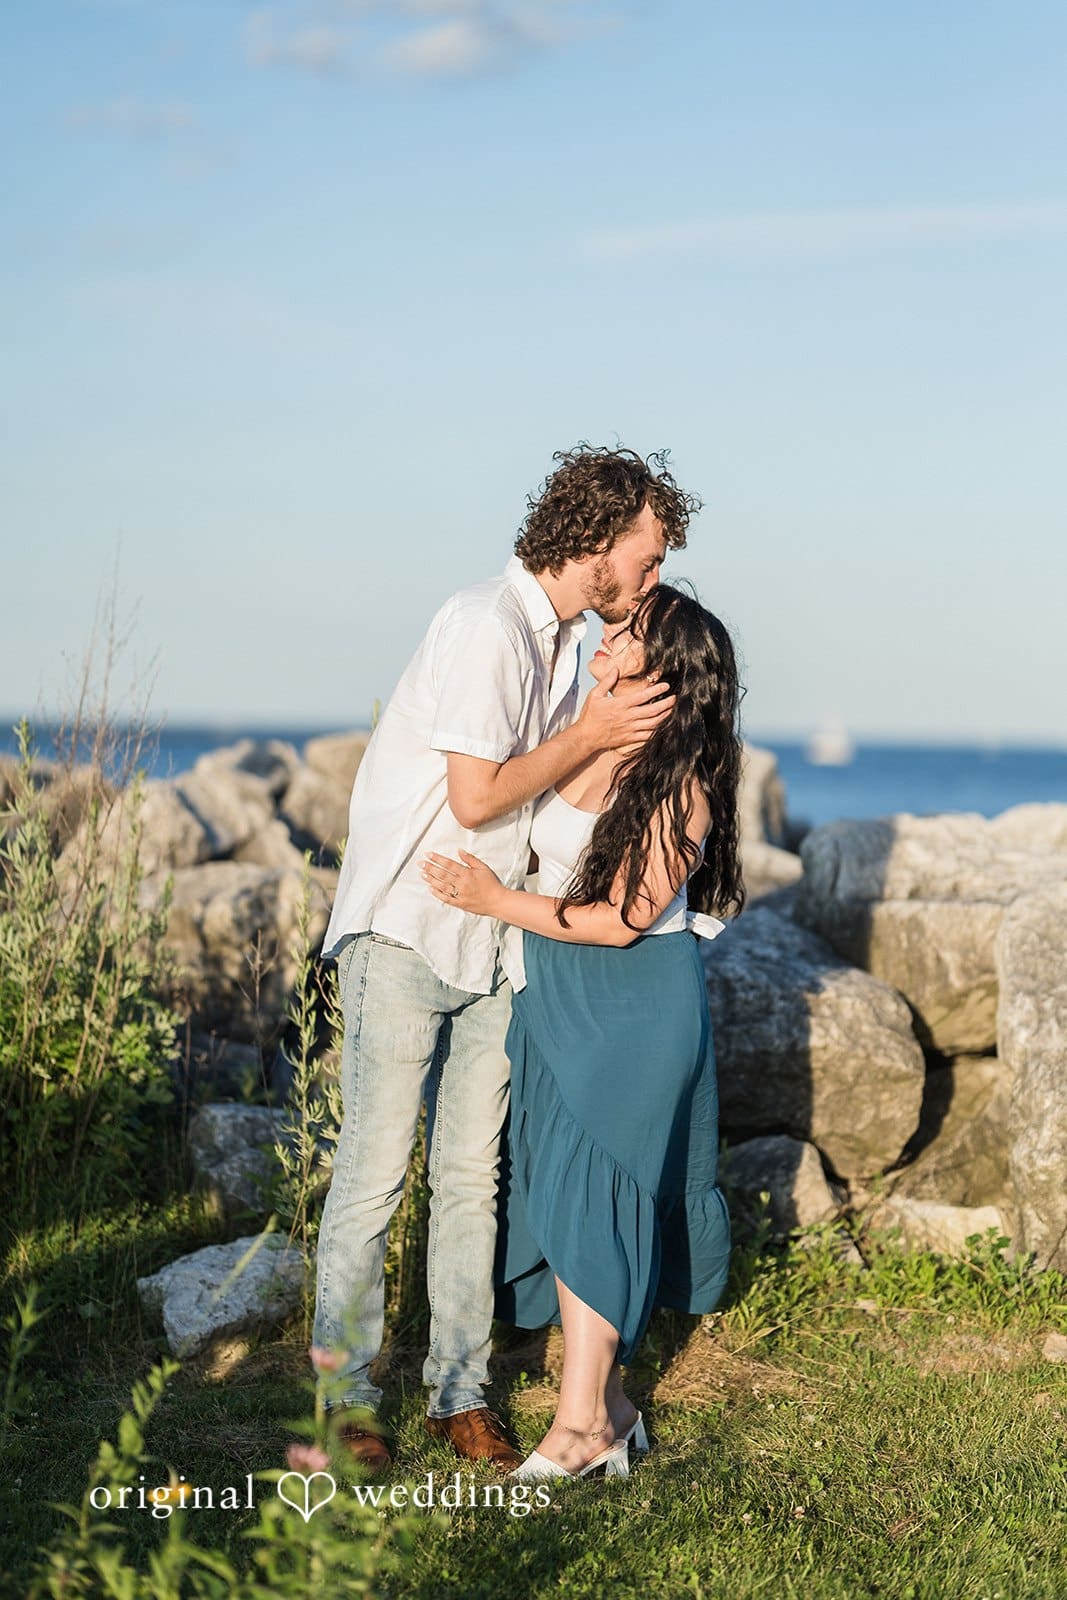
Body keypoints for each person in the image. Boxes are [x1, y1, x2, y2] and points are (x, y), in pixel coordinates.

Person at [313, 446, 701, 1472]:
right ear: (598, 540)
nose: (654, 576)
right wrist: (595, 731)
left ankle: (458, 1391)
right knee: (376, 1170)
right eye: (648, 555)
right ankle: (341, 1394)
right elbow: (480, 797)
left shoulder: (564, 643)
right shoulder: (486, 625)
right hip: (406, 926)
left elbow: (546, 812)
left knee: (471, 1175)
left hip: (490, 939)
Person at [421, 582, 744, 1480]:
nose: (605, 637)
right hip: (551, 990)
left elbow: (619, 918)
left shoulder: (682, 785)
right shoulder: (590, 734)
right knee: (560, 1194)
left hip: (630, 1004)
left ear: (665, 673)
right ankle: (614, 1406)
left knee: (599, 1194)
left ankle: (576, 1429)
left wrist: (491, 902)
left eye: (626, 634)